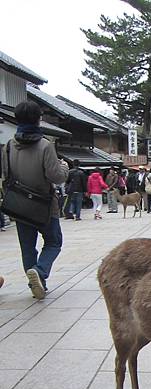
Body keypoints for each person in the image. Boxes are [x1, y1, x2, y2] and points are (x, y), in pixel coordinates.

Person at [1, 100, 68, 299]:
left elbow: (6, 175)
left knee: (27, 247)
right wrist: (63, 166)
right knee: (54, 242)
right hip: (45, 204)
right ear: (39, 119)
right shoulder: (45, 145)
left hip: (19, 205)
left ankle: (37, 285)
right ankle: (39, 272)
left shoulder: (9, 146)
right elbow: (56, 177)